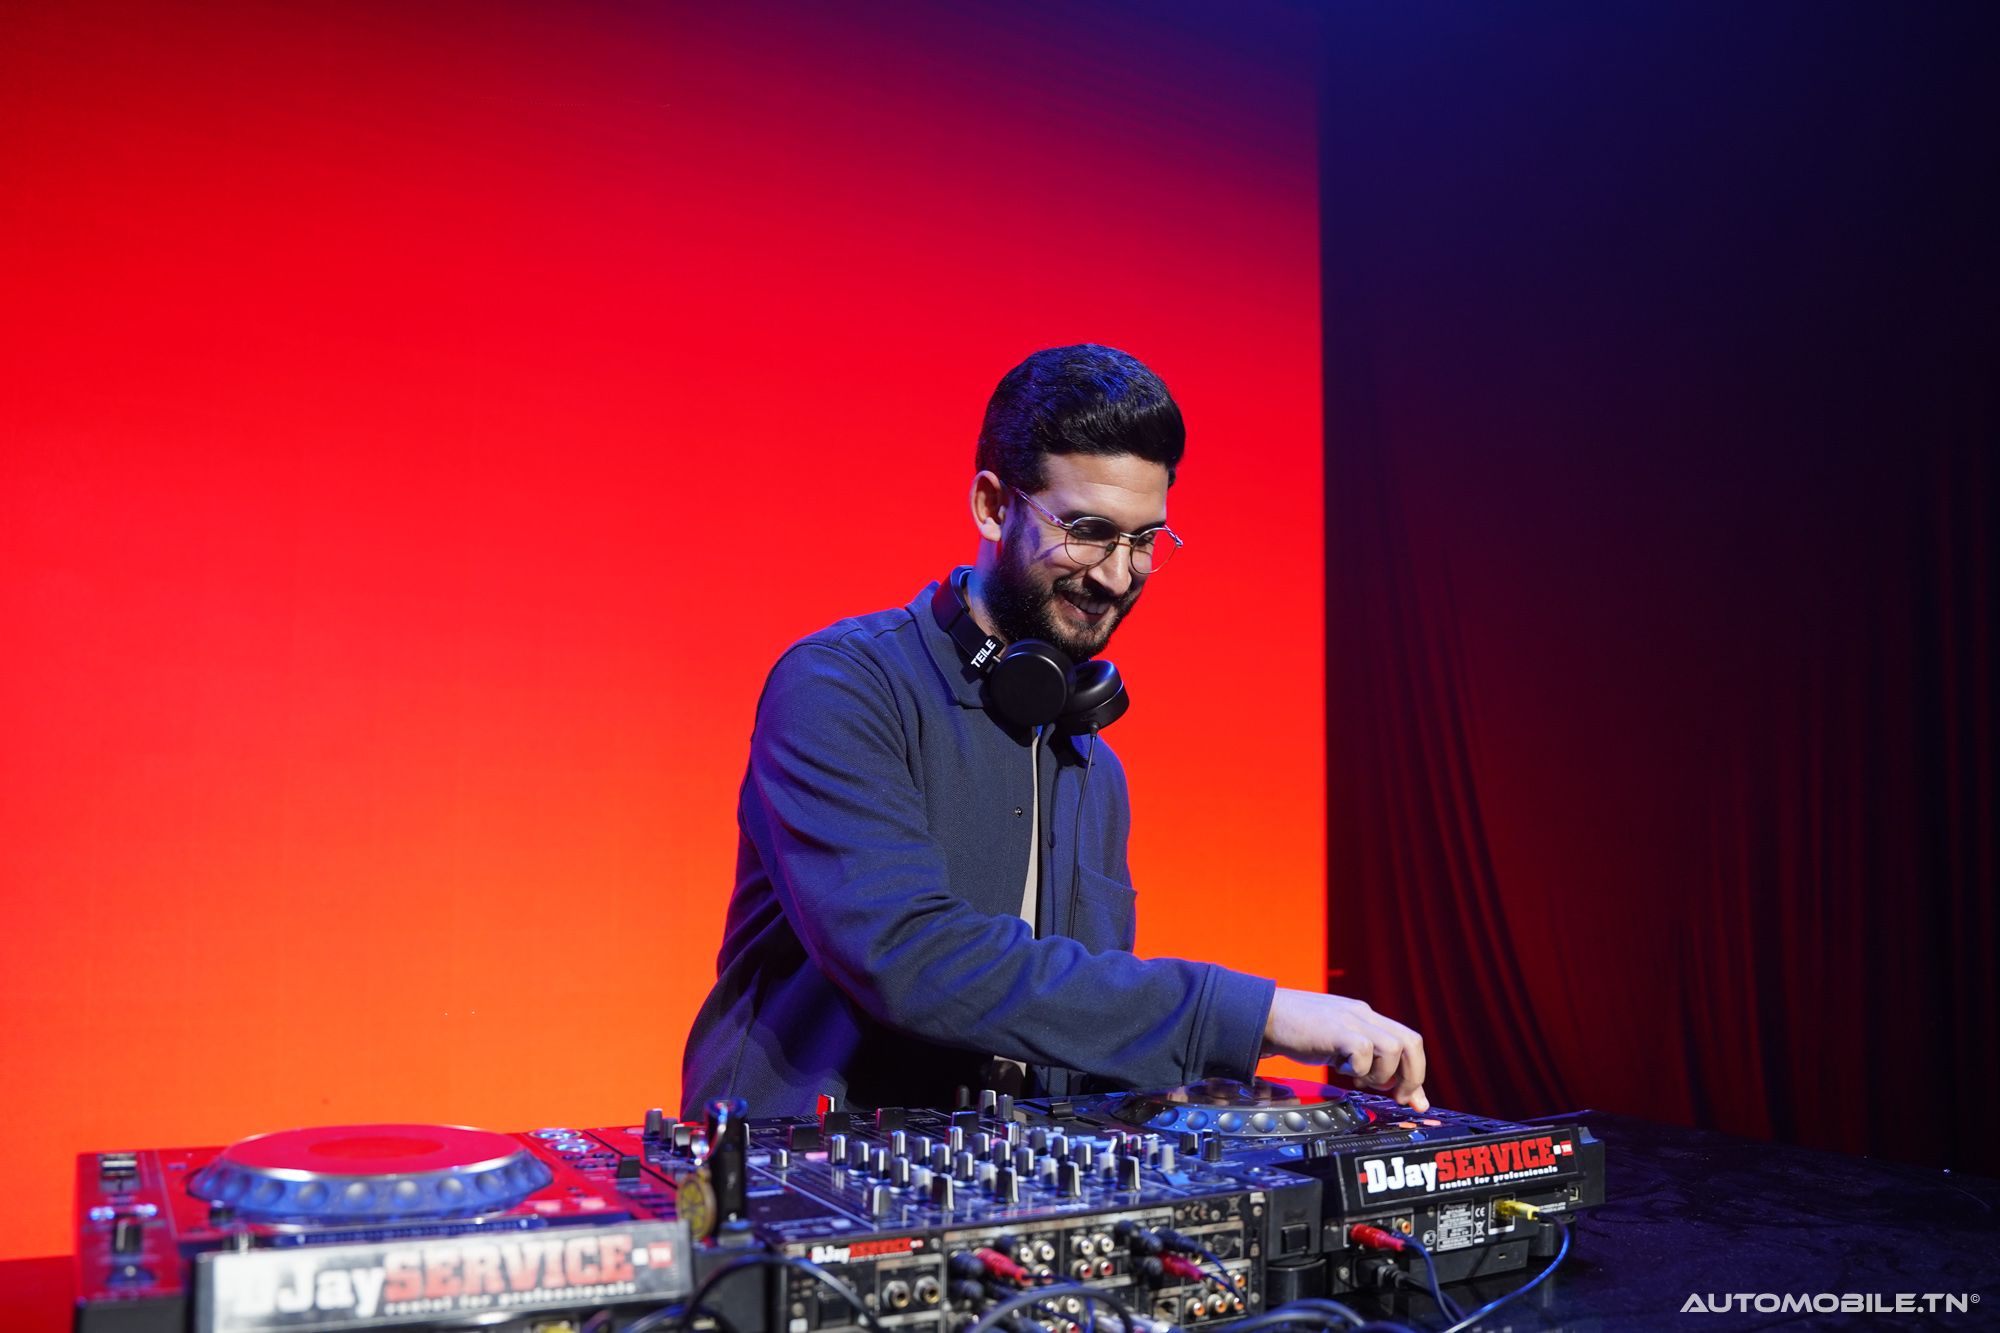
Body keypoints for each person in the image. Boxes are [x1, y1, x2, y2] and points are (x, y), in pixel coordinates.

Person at [681, 345, 1427, 1118]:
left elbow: (1069, 1023)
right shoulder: (842, 685)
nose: (1116, 574)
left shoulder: (1090, 761)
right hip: (794, 1172)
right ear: (992, 506)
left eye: (1144, 540)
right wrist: (1253, 1014)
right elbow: (907, 954)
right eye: (1089, 530)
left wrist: (1218, 1108)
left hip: (1000, 1178)